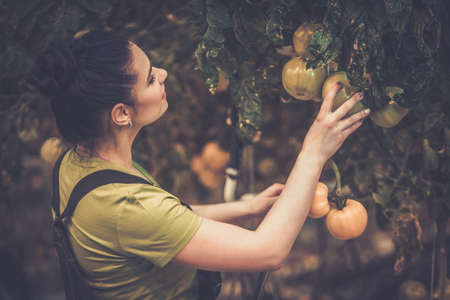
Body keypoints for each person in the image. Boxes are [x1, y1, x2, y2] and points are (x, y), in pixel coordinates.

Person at [32, 30, 369, 300]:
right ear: (121, 113)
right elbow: (267, 252)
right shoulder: (125, 206)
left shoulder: (76, 164)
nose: (163, 74)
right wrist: (313, 151)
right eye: (150, 78)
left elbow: (164, 220)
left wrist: (246, 206)